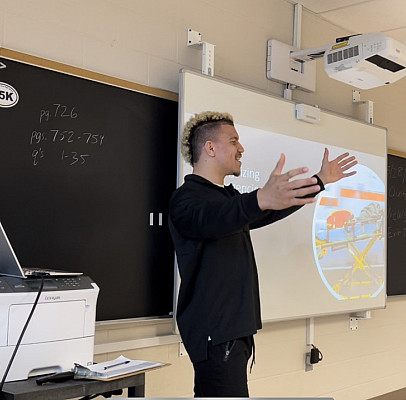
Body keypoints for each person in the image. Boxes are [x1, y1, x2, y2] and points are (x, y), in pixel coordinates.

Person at [168, 111, 357, 397]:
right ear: (210, 148)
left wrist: (319, 181)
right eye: (233, 141)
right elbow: (215, 217)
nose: (241, 149)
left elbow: (266, 208)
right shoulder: (187, 200)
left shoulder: (226, 198)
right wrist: (258, 200)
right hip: (216, 332)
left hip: (233, 331)